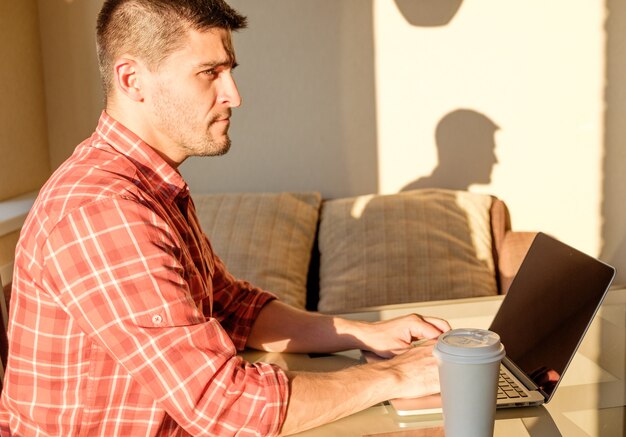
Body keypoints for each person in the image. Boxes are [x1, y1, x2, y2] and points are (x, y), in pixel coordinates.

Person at [0, 1, 450, 435]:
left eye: (230, 70)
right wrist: (398, 378)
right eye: (209, 73)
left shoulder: (151, 186)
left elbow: (231, 308)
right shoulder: (104, 211)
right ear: (132, 79)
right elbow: (226, 407)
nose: (233, 95)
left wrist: (366, 335)